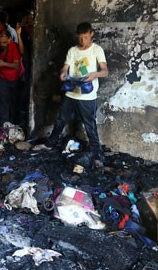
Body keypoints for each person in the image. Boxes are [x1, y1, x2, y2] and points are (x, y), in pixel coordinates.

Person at [43, 22, 109, 168]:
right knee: (61, 120)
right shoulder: (72, 50)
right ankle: (50, 144)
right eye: (80, 37)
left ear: (91, 34)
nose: (83, 41)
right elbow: (65, 68)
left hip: (88, 95)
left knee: (90, 126)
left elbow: (105, 71)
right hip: (72, 92)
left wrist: (95, 74)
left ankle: (96, 154)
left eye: (85, 37)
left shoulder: (97, 50)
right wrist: (63, 73)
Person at [0, 29, 22, 126]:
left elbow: (16, 65)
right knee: (3, 102)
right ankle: (3, 125)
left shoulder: (14, 46)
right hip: (2, 78)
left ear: (9, 39)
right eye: (0, 42)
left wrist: (3, 64)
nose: (2, 44)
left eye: (4, 42)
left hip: (14, 79)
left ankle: (14, 125)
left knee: (14, 103)